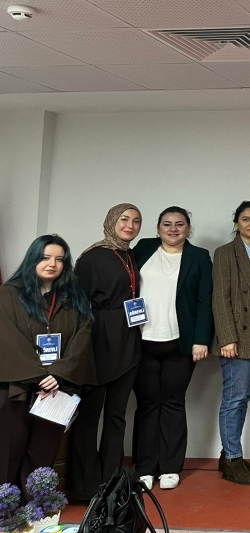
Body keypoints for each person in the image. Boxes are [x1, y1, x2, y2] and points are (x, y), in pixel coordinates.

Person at [0, 235, 95, 489]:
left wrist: (58, 374)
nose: (52, 264)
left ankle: (36, 506)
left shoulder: (73, 298)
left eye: (59, 259)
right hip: (17, 387)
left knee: (43, 454)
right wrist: (39, 375)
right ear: (32, 259)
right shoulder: (9, 294)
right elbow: (8, 338)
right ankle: (5, 507)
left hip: (56, 389)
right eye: (45, 257)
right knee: (9, 452)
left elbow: (82, 338)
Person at [131, 207, 213, 491]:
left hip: (180, 342)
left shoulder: (199, 256)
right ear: (158, 228)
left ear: (188, 228)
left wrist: (201, 339)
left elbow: (205, 300)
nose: (173, 229)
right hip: (142, 341)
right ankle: (144, 467)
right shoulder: (143, 249)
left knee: (173, 403)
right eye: (167, 224)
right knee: (147, 404)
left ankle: (169, 467)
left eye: (180, 224)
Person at [69, 203, 143, 501]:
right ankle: (85, 486)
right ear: (111, 221)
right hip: (98, 342)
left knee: (116, 416)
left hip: (128, 342)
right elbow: (77, 306)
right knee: (89, 417)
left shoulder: (130, 255)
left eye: (136, 221)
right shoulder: (91, 258)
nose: (130, 225)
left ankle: (111, 484)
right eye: (124, 219)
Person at [212, 201, 250, 486]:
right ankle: (233, 461)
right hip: (238, 331)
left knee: (244, 396)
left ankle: (230, 454)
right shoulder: (225, 252)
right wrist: (227, 337)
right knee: (234, 398)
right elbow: (220, 298)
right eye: (246, 219)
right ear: (236, 223)